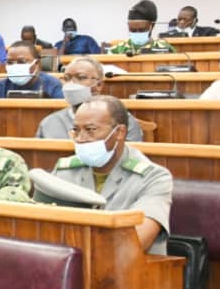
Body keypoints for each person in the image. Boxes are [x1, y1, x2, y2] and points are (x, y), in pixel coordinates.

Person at [51, 96, 172, 254]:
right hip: (68, 267)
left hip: (130, 272)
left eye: (91, 130)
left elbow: (135, 242)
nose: (80, 139)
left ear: (120, 132)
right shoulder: (64, 170)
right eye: (76, 130)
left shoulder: (153, 177)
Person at [36, 57, 144, 141]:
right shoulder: (50, 122)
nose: (71, 83)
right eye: (67, 78)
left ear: (99, 85)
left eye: (81, 77)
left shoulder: (121, 120)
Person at [0, 41, 64, 99]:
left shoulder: (53, 85)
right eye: (10, 62)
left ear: (37, 64)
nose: (15, 66)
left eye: (21, 62)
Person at [108, 0, 175, 55]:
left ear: (151, 26)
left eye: (141, 30)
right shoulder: (116, 50)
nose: (137, 33)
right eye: (133, 30)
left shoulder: (165, 48)